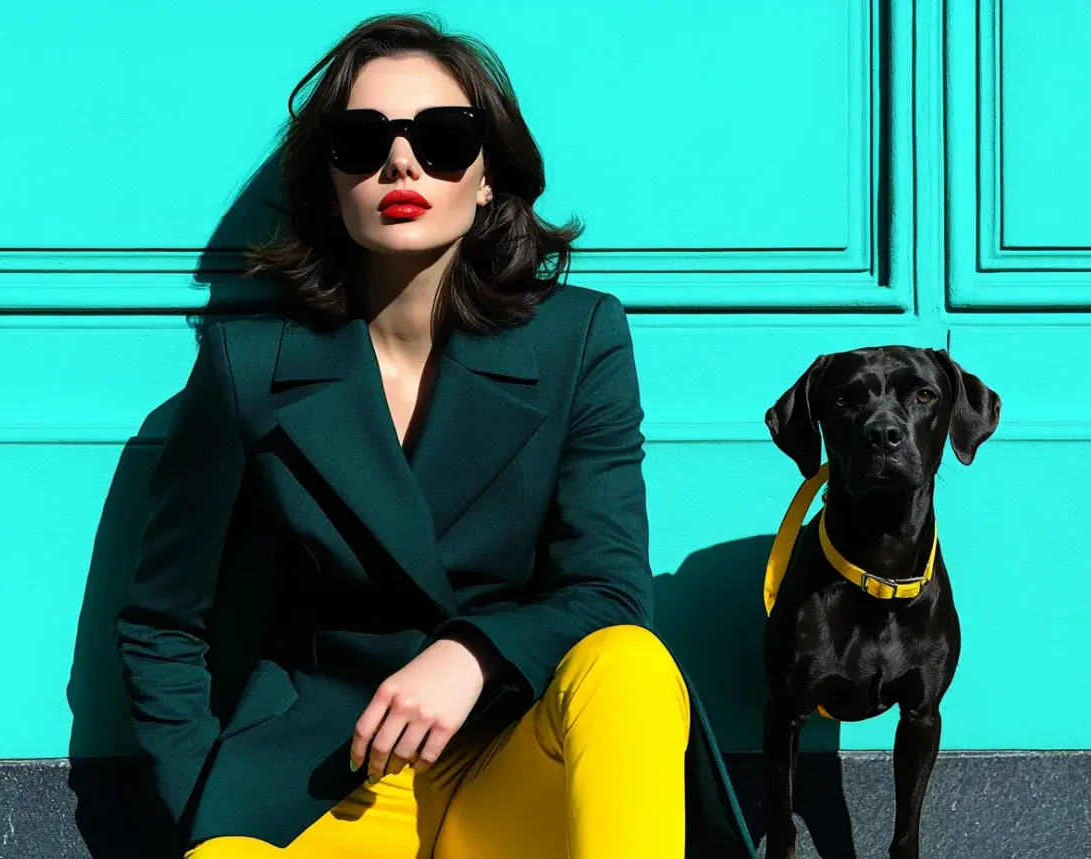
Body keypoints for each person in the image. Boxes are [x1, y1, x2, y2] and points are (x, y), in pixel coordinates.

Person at [115, 13, 754, 859]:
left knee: (632, 663)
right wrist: (205, 802)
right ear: (331, 179)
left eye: (446, 137)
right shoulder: (250, 364)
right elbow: (163, 622)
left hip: (510, 760)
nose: (402, 161)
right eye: (361, 138)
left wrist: (474, 653)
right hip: (323, 784)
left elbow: (610, 594)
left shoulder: (579, 341)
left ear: (489, 176)